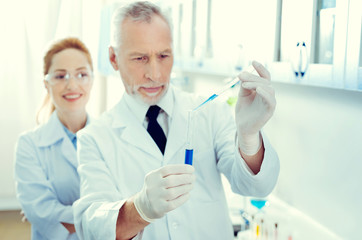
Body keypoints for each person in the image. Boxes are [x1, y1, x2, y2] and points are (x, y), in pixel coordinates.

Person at [73, 1, 280, 239]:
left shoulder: (210, 113)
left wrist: (249, 136)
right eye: (140, 58)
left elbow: (256, 187)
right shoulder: (94, 138)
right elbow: (92, 227)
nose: (155, 74)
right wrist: (140, 209)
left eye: (163, 55)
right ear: (113, 58)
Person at [14, 37, 94, 240]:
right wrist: (111, 215)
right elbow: (44, 213)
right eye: (60, 76)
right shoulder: (29, 145)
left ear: (91, 79)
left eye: (82, 74)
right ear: (46, 84)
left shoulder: (110, 137)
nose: (72, 84)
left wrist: (65, 218)